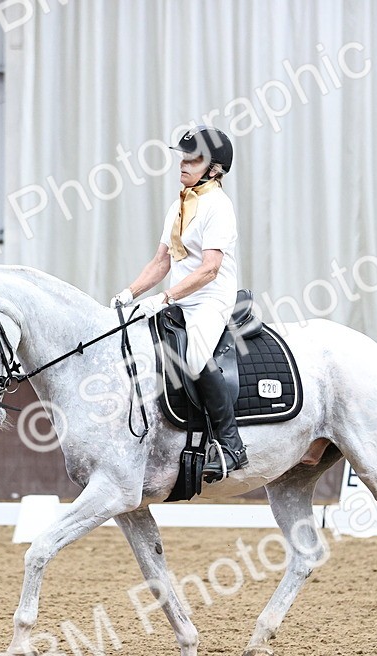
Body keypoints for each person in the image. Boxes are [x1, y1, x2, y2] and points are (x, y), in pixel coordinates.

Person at [110, 126, 248, 481]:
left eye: (193, 159)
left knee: (195, 356)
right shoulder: (180, 204)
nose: (183, 164)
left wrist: (166, 297)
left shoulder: (219, 207)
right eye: (183, 157)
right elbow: (162, 262)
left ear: (214, 168)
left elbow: (210, 269)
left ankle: (232, 445)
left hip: (210, 299)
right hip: (181, 298)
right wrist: (129, 294)